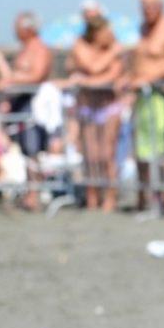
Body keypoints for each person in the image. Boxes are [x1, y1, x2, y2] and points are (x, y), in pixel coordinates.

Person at [126, 0, 164, 211]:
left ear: (161, 6)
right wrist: (130, 77)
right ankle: (145, 197)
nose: (147, 10)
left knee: (162, 149)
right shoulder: (142, 29)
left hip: (162, 96)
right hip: (142, 97)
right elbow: (135, 61)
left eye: (151, 5)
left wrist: (149, 77)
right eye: (144, 6)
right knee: (142, 148)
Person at [67, 15, 125, 211]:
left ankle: (110, 196)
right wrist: (95, 73)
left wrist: (84, 80)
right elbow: (93, 67)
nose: (109, 35)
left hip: (109, 107)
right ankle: (92, 196)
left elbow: (110, 76)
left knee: (107, 155)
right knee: (90, 155)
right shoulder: (80, 45)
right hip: (88, 107)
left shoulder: (113, 48)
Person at [0, 11, 54, 211]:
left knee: (33, 150)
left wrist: (11, 79)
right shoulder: (26, 49)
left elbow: (37, 75)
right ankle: (30, 192)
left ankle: (35, 194)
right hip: (21, 103)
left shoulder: (39, 49)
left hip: (34, 104)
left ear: (27, 28)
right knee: (25, 150)